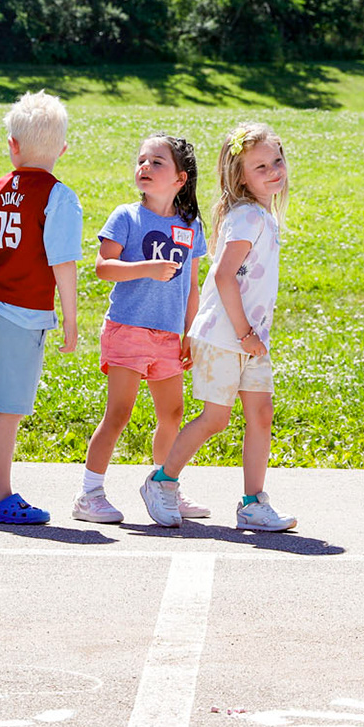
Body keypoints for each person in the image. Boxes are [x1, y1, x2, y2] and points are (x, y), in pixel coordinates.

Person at [139, 121, 295, 533]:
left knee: (261, 414)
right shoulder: (245, 218)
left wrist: (251, 336)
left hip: (250, 339)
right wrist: (244, 333)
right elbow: (225, 277)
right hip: (226, 335)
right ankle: (162, 481)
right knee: (215, 418)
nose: (275, 170)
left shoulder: (263, 216)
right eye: (261, 166)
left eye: (277, 160)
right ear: (239, 176)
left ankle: (252, 502)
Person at [0, 92, 82, 526]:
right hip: (21, 314)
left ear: (13, 144)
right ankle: (0, 495)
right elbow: (63, 263)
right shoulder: (59, 197)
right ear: (62, 149)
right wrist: (71, 321)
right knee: (9, 407)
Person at [73, 135, 209, 524]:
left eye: (157, 162)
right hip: (128, 329)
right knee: (118, 413)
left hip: (169, 336)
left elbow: (192, 285)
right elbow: (103, 267)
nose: (145, 167)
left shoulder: (189, 225)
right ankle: (89, 493)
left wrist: (190, 332)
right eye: (142, 161)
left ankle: (165, 486)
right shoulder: (126, 216)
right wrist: (146, 268)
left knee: (173, 414)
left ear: (180, 179)